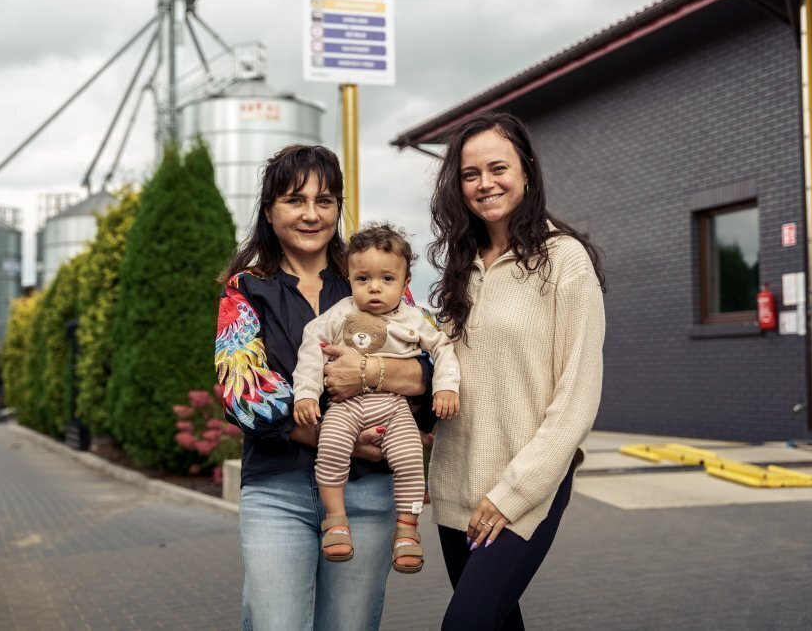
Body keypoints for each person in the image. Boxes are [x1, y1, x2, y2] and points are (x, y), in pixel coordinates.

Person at [215, 145, 435, 630]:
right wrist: (342, 439)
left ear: (338, 208)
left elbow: (431, 366)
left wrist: (372, 373)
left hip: (369, 491)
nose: (311, 214)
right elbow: (243, 393)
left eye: (325, 200)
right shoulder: (245, 289)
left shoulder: (374, 278)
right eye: (295, 200)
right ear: (269, 210)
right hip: (278, 490)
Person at [426, 112, 607, 630]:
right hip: (456, 486)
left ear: (526, 170)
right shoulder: (462, 265)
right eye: (470, 174)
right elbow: (446, 370)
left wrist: (514, 493)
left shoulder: (564, 259)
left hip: (525, 488)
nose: (485, 183)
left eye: (498, 168)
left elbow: (577, 394)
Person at [291, 223, 460, 574]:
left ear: (405, 281)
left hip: (394, 409)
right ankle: (336, 522)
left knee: (410, 459)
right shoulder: (340, 313)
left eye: (387, 279)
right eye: (363, 279)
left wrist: (446, 387)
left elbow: (443, 348)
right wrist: (306, 394)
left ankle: (407, 530)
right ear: (349, 278)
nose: (374, 287)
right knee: (331, 447)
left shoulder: (413, 318)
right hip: (345, 406)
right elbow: (311, 346)